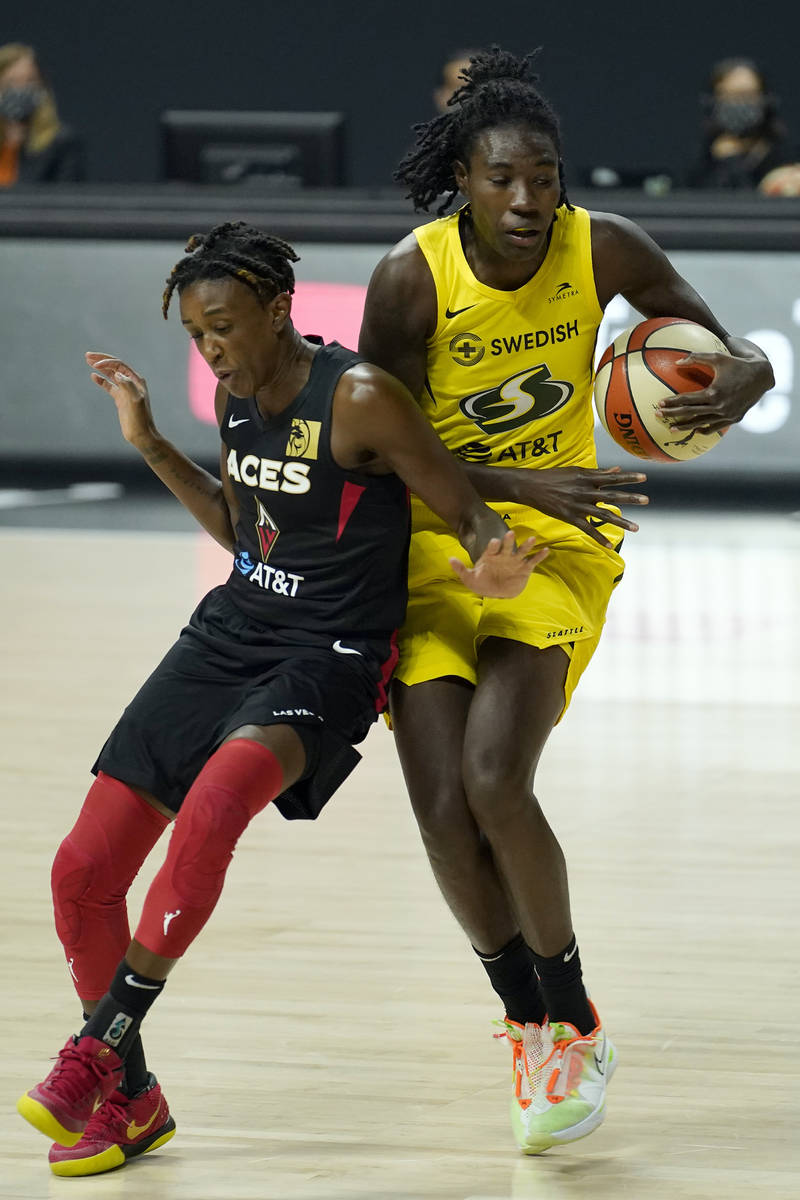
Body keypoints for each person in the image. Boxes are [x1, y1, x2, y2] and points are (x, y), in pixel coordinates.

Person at [16, 220, 546, 1177]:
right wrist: (148, 443)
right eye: (196, 334)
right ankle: (131, 1101)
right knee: (80, 873)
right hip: (229, 634)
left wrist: (494, 559)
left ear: (278, 307)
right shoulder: (232, 397)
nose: (213, 348)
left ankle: (99, 1046)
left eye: (225, 325)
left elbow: (465, 509)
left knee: (214, 806)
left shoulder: (361, 398)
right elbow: (244, 532)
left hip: (333, 657)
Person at [358, 46, 774, 1154]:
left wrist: (736, 379)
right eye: (501, 178)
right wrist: (501, 484)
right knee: (441, 805)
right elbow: (369, 447)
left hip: (556, 541)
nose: (527, 199)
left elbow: (731, 354)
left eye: (542, 175)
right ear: (461, 174)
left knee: (497, 777)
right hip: (435, 543)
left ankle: (575, 1020)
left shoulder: (603, 245)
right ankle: (524, 1022)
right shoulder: (410, 277)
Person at [686, 56, 789, 190]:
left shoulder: (784, 156)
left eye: (748, 95)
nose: (739, 103)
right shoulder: (701, 157)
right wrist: (728, 161)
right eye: (729, 95)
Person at [0, 43, 85, 186]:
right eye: (11, 82)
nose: (20, 90)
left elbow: (68, 202)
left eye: (30, 81)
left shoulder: (63, 143)